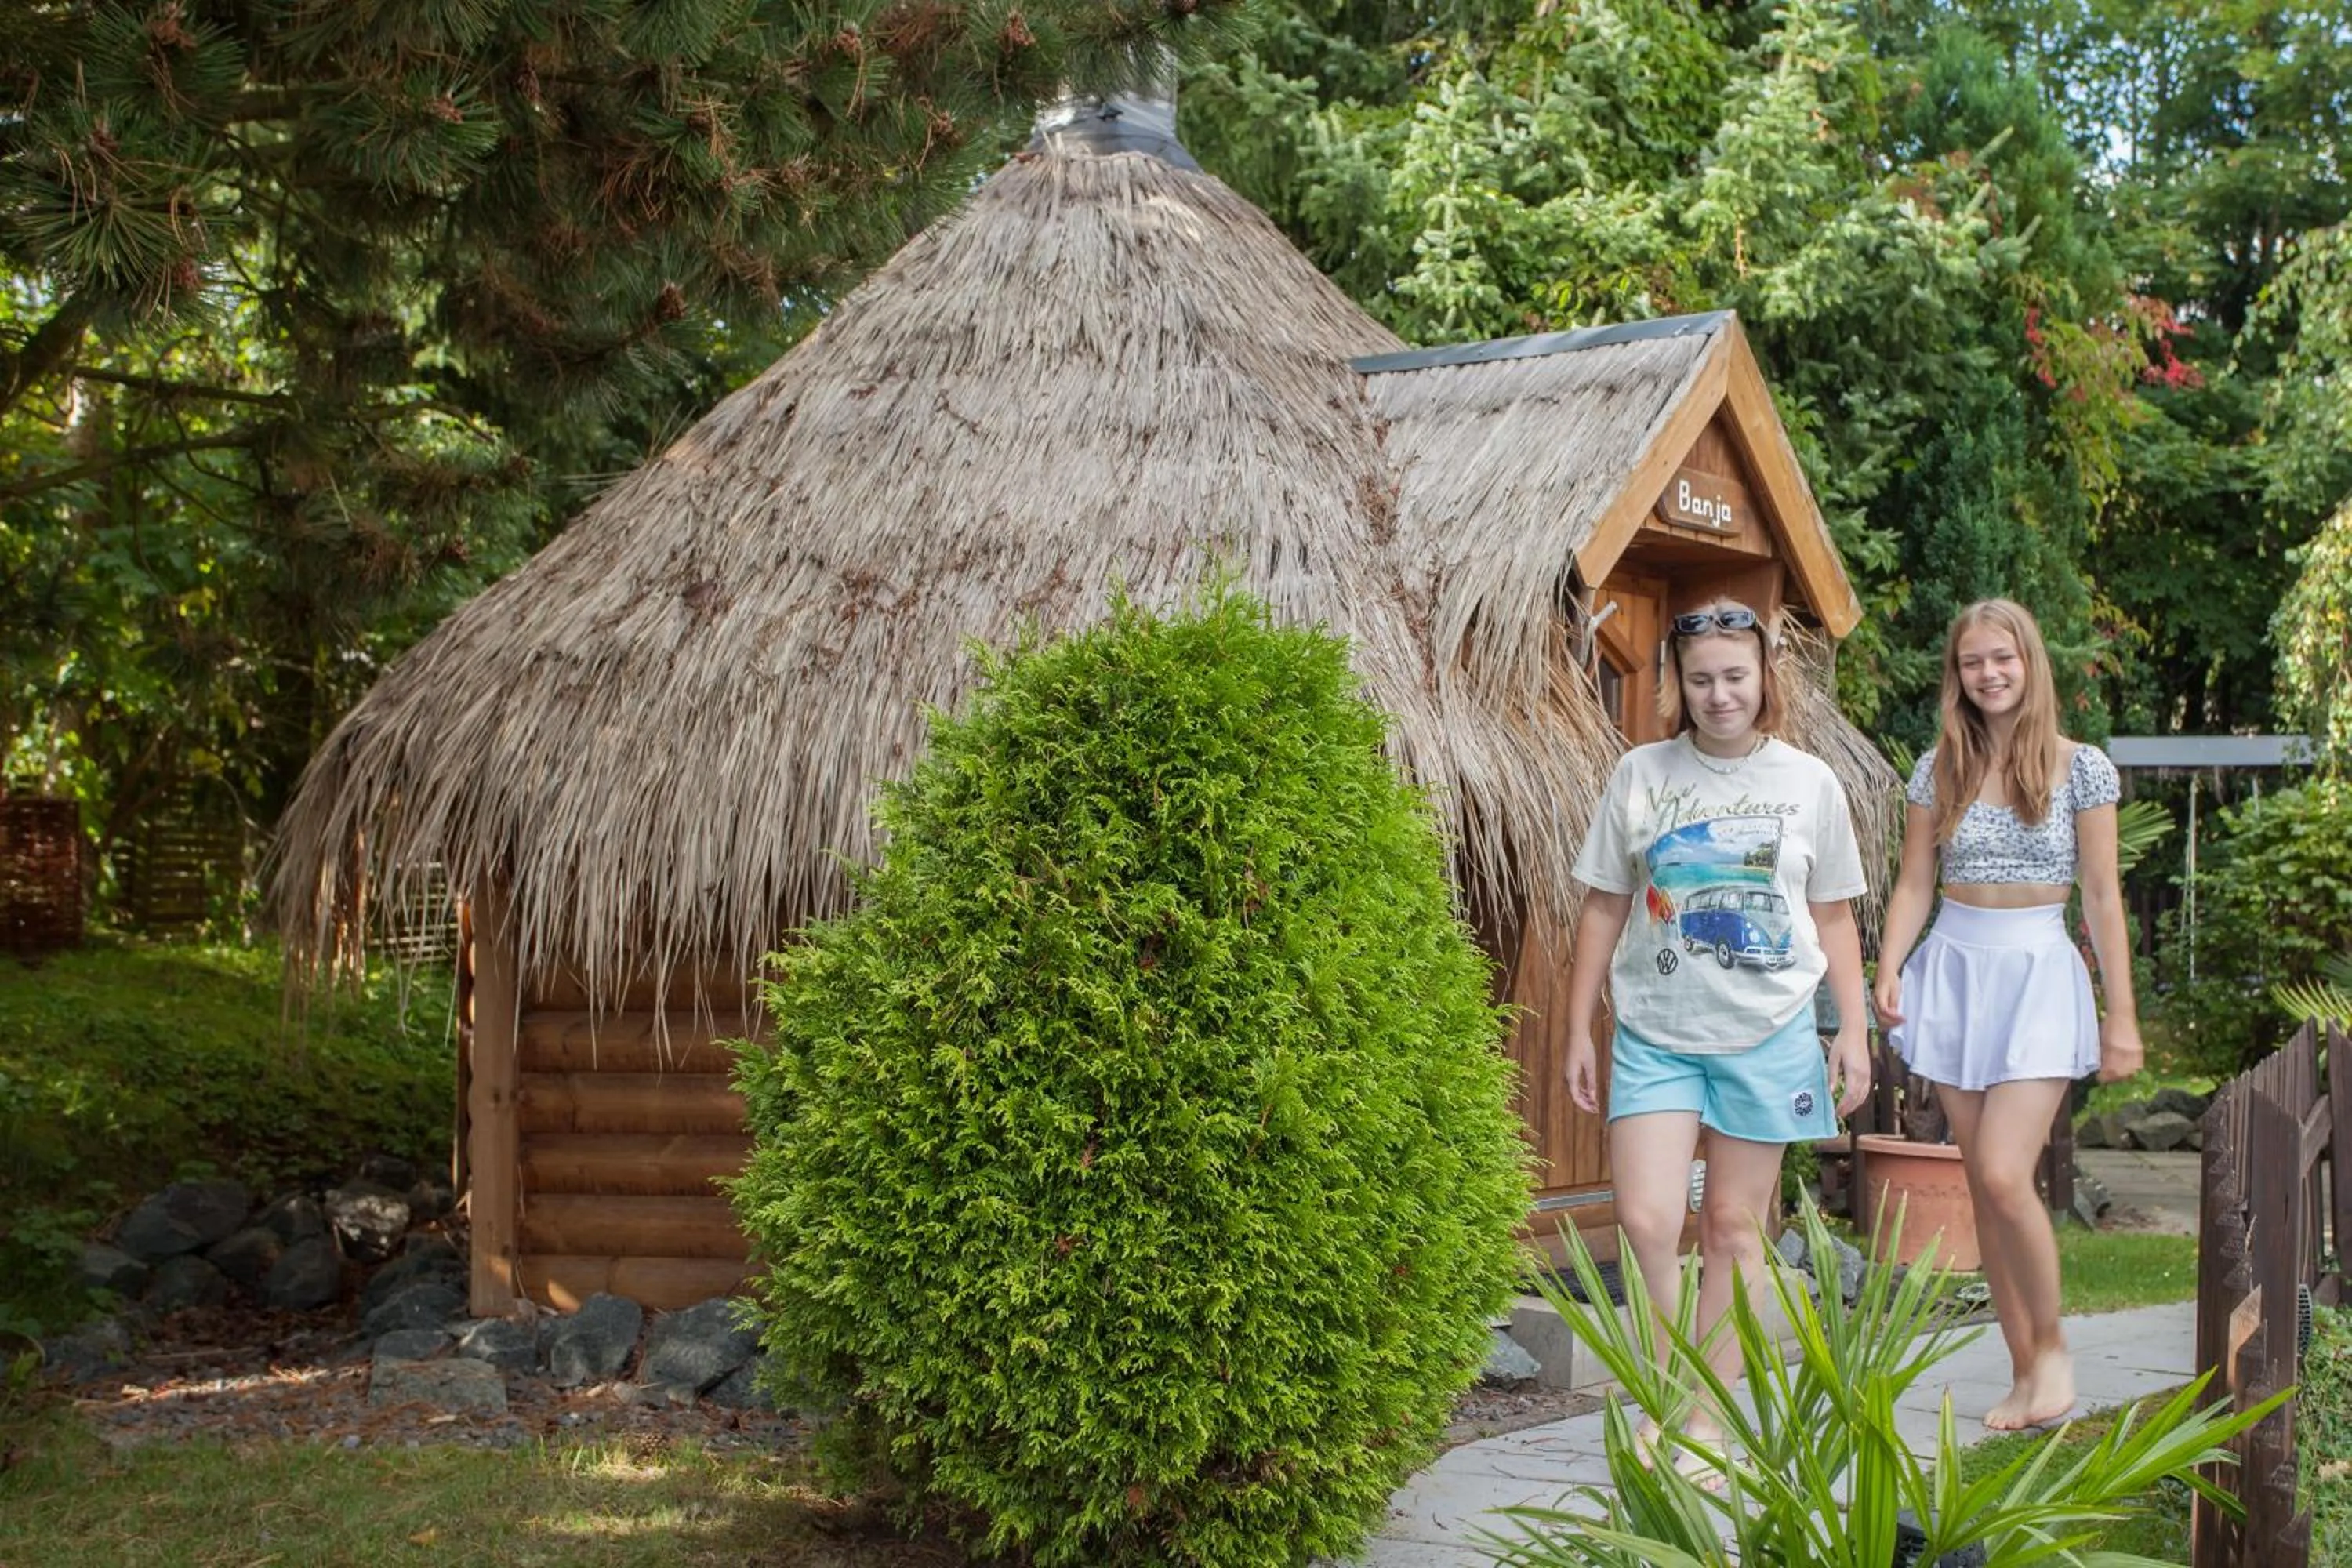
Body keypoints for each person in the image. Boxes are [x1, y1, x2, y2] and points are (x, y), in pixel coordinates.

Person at [1564, 598, 1873, 1472]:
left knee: (1735, 1227)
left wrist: (1852, 1025)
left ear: (1765, 674)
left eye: (1735, 676)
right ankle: (1660, 1395)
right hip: (1656, 1030)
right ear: (1679, 682)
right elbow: (1603, 902)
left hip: (1769, 1030)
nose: (1719, 694)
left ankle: (1703, 1417)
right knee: (1648, 1219)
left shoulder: (1810, 783)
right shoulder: (1640, 773)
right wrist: (1582, 1026)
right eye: (1700, 679)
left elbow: (1836, 915)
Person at [1873, 597, 2143, 1432]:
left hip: (2036, 971)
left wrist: (2121, 1017)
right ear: (1956, 675)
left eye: (2003, 658)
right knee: (1987, 1192)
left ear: (2030, 663)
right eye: (1971, 661)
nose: (1988, 673)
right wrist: (1888, 965)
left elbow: (2101, 895)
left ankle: (2056, 1346)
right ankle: (2025, 1370)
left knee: (1999, 1170)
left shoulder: (2081, 767)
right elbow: (1917, 880)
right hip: (1952, 969)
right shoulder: (1937, 767)